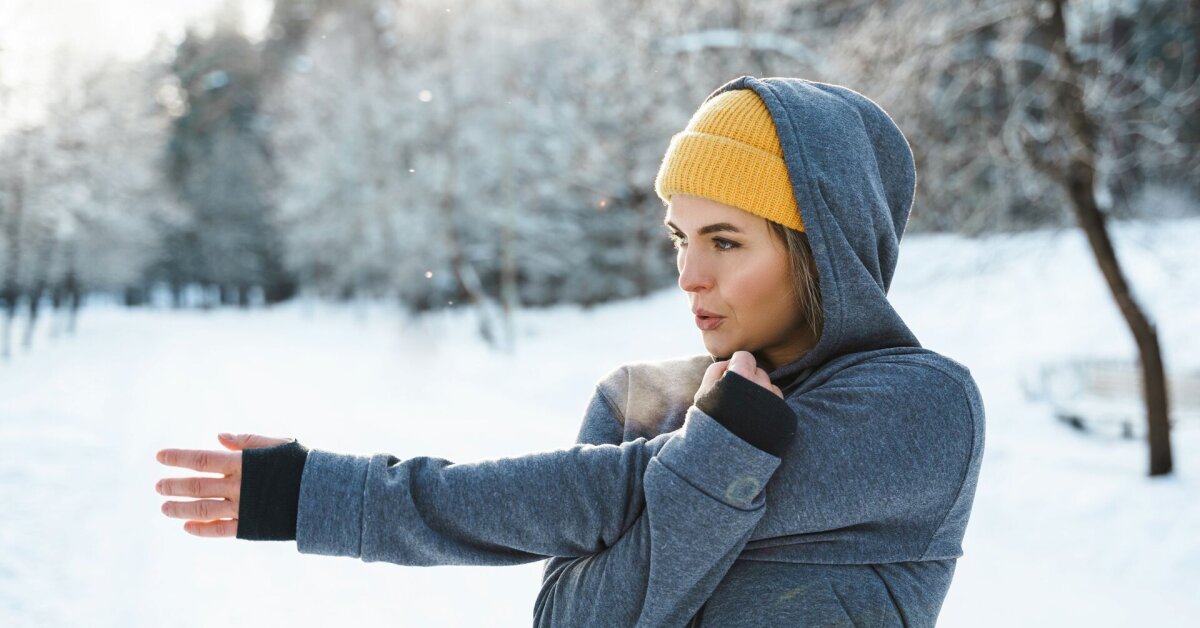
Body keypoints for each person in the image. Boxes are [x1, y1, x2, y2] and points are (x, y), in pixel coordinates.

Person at [155, 75, 986, 627]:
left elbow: (612, 494)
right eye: (678, 237)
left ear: (824, 251)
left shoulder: (922, 407)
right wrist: (719, 453)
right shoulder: (641, 399)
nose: (688, 274)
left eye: (726, 241)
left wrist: (335, 497)